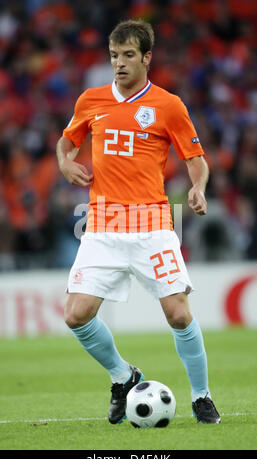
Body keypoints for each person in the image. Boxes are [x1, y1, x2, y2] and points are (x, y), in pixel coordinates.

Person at [56, 19, 221, 425]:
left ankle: (201, 396)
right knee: (76, 314)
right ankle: (123, 375)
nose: (119, 63)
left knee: (179, 314)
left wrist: (197, 188)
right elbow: (66, 141)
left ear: (147, 57)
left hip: (152, 224)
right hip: (102, 224)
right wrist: (65, 162)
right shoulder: (91, 101)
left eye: (128, 55)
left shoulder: (168, 105)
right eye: (114, 56)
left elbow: (195, 162)